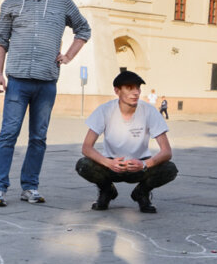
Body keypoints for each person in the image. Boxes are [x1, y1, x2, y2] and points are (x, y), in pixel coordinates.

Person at [0, 0, 92, 206]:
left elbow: (83, 29)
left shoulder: (62, 3)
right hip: (18, 82)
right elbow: (0, 41)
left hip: (46, 82)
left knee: (38, 137)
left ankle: (30, 187)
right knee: (8, 134)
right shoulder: (11, 4)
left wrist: (68, 55)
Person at [76, 71, 177, 213]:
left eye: (138, 88)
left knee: (170, 169)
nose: (135, 92)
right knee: (83, 165)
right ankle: (107, 190)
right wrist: (109, 163)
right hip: (112, 165)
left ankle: (142, 192)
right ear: (117, 91)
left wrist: (144, 164)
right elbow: (86, 147)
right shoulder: (105, 110)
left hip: (140, 165)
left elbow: (166, 151)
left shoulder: (149, 111)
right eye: (129, 88)